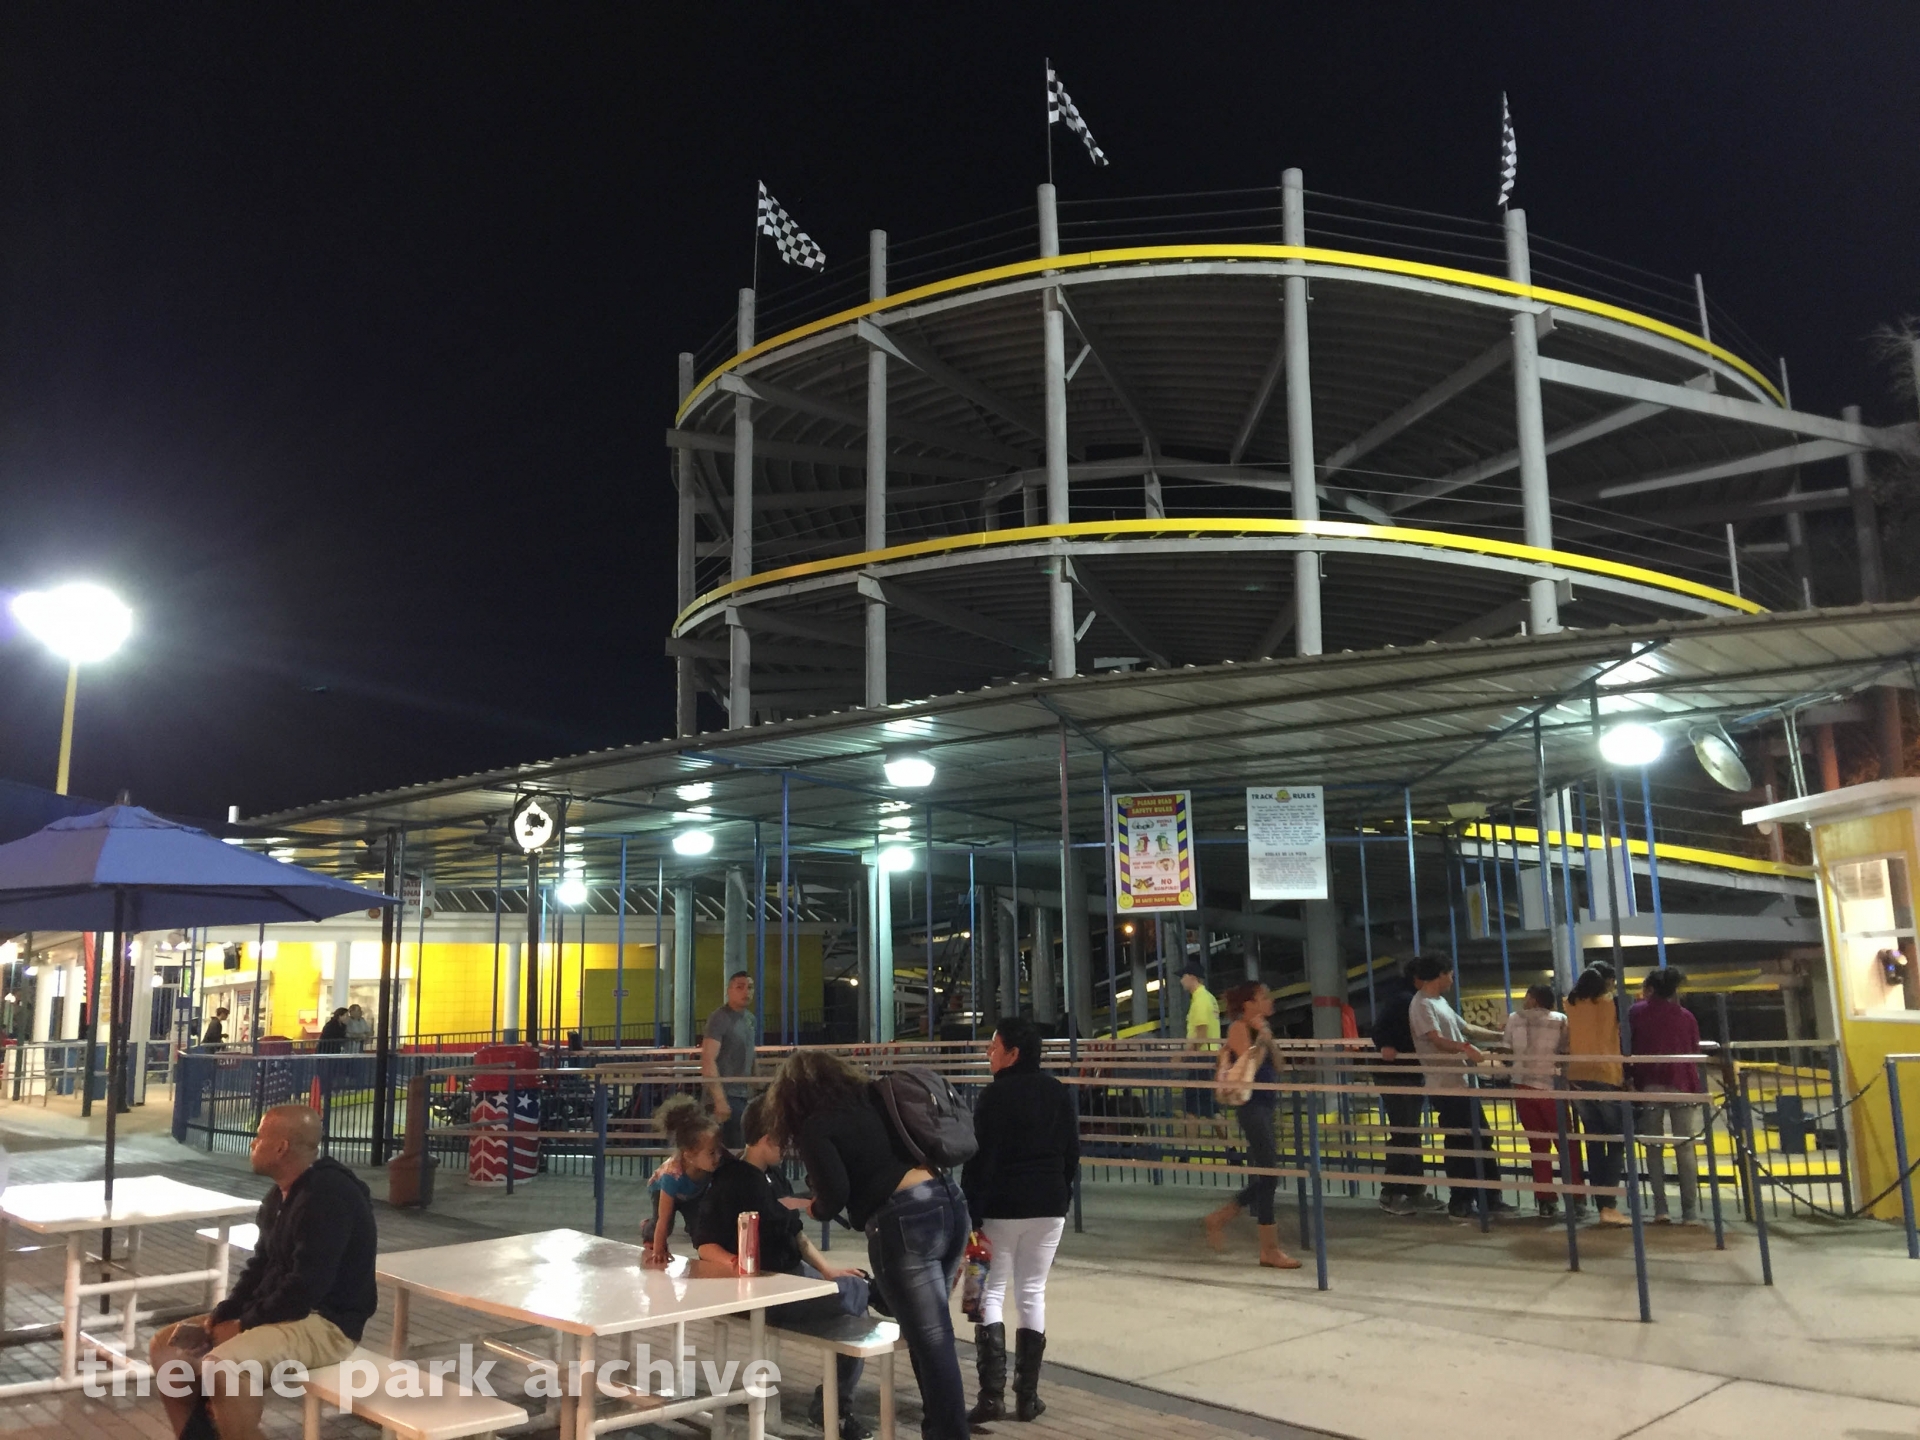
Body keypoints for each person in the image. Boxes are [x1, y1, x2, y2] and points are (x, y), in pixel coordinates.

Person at [764, 1048, 970, 1440]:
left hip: (904, 1220)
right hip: (949, 1201)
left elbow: (835, 1194)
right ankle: (939, 1427)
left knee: (931, 1339)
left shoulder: (816, 1127)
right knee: (927, 1333)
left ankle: (949, 1433)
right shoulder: (875, 1097)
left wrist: (814, 1208)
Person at [149, 1105, 377, 1440]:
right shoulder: (280, 1195)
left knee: (225, 1366)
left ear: (281, 1147)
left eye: (259, 1137)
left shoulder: (328, 1196)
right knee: (166, 1349)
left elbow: (306, 1287)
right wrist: (225, 1314)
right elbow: (260, 1266)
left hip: (327, 1323)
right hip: (289, 1312)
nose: (252, 1144)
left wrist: (244, 1324)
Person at [690, 1094, 875, 1440]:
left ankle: (835, 1404)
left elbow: (796, 1234)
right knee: (857, 1297)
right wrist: (734, 1263)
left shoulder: (772, 1177)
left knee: (855, 1303)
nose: (788, 1148)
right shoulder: (732, 1182)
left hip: (789, 1278)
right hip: (764, 1288)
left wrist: (828, 1271)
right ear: (766, 1139)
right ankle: (834, 1407)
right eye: (783, 1140)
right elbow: (704, 1243)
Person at [960, 1015, 1079, 1424]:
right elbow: (1071, 1151)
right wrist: (1061, 1191)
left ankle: (991, 1396)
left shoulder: (993, 1097)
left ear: (1012, 1053)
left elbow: (979, 1159)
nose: (988, 1053)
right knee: (1032, 1292)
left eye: (993, 1046)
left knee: (989, 1294)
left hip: (1002, 1206)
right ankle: (1027, 1398)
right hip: (1049, 1205)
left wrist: (972, 1210)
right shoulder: (1057, 1091)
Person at [1200, 982, 1303, 1269]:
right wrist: (1263, 1038)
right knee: (1269, 1174)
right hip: (1251, 1107)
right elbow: (1249, 1066)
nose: (1269, 1001)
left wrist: (1268, 1037)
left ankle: (1265, 1246)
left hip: (1265, 1106)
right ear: (1248, 1004)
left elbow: (1280, 1065)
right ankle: (1231, 1224)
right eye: (1263, 997)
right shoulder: (1238, 1028)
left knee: (1267, 1174)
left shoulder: (1262, 1029)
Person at [1407, 956, 1515, 1220]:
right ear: (1440, 974)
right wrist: (1466, 1047)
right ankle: (1461, 1200)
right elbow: (1437, 1039)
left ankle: (1489, 1197)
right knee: (1460, 1142)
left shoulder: (1439, 1002)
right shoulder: (1421, 1004)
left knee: (1481, 1138)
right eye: (1451, 975)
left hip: (1463, 1083)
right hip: (1446, 1085)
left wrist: (1501, 1037)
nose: (1452, 980)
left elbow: (1466, 1028)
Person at [1629, 966, 1705, 1225]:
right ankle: (1689, 1212)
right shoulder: (1687, 1017)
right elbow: (1694, 1049)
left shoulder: (1636, 1013)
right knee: (1685, 1149)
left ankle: (1660, 1209)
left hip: (1649, 1084)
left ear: (1650, 989)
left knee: (1654, 1148)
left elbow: (1628, 1045)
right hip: (1682, 1084)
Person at [1503, 983, 1584, 1219]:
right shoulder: (1560, 1019)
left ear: (1533, 998)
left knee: (1538, 1145)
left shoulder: (1514, 1019)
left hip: (1523, 1086)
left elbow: (1506, 1052)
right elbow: (1566, 1051)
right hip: (1552, 1087)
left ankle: (1545, 1200)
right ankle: (1576, 1197)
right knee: (1566, 1144)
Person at [1372, 958, 1442, 1216]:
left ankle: (1412, 1191)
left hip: (1407, 1073)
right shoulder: (1405, 1000)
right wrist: (1386, 1044)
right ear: (1420, 978)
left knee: (1409, 1133)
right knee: (1404, 1133)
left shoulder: (1411, 998)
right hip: (1398, 1074)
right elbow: (1380, 1029)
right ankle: (1392, 1193)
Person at [1565, 962, 1630, 1226]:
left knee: (1593, 1141)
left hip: (1577, 1077)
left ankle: (1600, 1203)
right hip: (1606, 1075)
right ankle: (1609, 1206)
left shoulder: (1569, 1004)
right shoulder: (1613, 1003)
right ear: (1607, 981)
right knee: (1615, 1140)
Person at [642, 1093, 721, 1261]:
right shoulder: (671, 1176)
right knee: (665, 1222)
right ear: (689, 1155)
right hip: (662, 1190)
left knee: (698, 1223)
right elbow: (663, 1219)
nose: (718, 1157)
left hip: (690, 1193)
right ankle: (648, 1231)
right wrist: (659, 1250)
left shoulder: (708, 1165)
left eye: (718, 1151)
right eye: (712, 1153)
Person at [703, 971, 758, 1148]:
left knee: (741, 1147)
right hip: (726, 1094)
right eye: (740, 987)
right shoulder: (719, 1018)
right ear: (729, 991)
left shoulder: (750, 1019)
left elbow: (751, 1052)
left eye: (750, 987)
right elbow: (708, 1058)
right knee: (730, 1149)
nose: (746, 992)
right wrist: (719, 1099)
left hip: (742, 1095)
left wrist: (756, 1085)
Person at [1181, 961, 1220, 1117]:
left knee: (1191, 1106)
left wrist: (1184, 1056)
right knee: (1209, 1106)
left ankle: (1190, 1134)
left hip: (1202, 1057)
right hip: (1210, 1056)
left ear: (1192, 977)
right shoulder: (1208, 997)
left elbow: (1201, 1035)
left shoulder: (1200, 1000)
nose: (1181, 981)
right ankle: (1225, 1132)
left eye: (1183, 976)